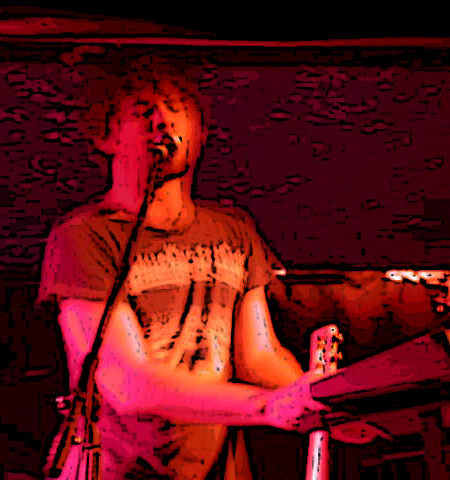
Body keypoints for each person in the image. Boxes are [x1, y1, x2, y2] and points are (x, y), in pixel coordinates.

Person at [37, 68, 328, 480]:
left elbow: (259, 356)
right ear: (106, 138)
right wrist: (266, 407)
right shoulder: (84, 235)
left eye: (176, 108)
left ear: (201, 131)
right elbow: (127, 384)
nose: (162, 120)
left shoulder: (233, 230)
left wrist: (326, 401)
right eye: (142, 110)